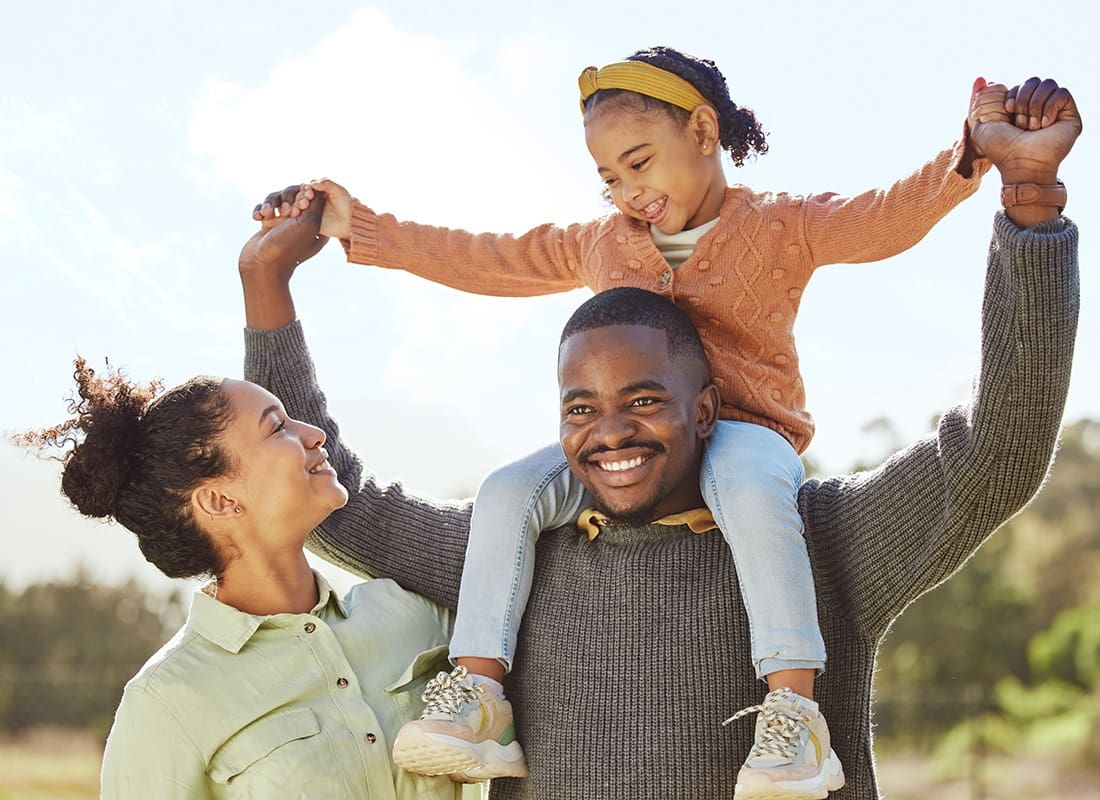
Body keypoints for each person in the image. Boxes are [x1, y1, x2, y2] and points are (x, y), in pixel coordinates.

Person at [243, 77, 1080, 800]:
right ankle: (479, 700)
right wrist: (269, 284)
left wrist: (1028, 201)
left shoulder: (822, 537)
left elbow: (995, 453)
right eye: (580, 409)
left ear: (706, 408)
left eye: (644, 400)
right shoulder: (516, 544)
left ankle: (794, 713)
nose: (611, 433)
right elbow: (332, 503)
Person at [16, 326, 477, 798]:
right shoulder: (166, 701)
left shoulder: (416, 612)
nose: (314, 434)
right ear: (218, 499)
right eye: (277, 427)